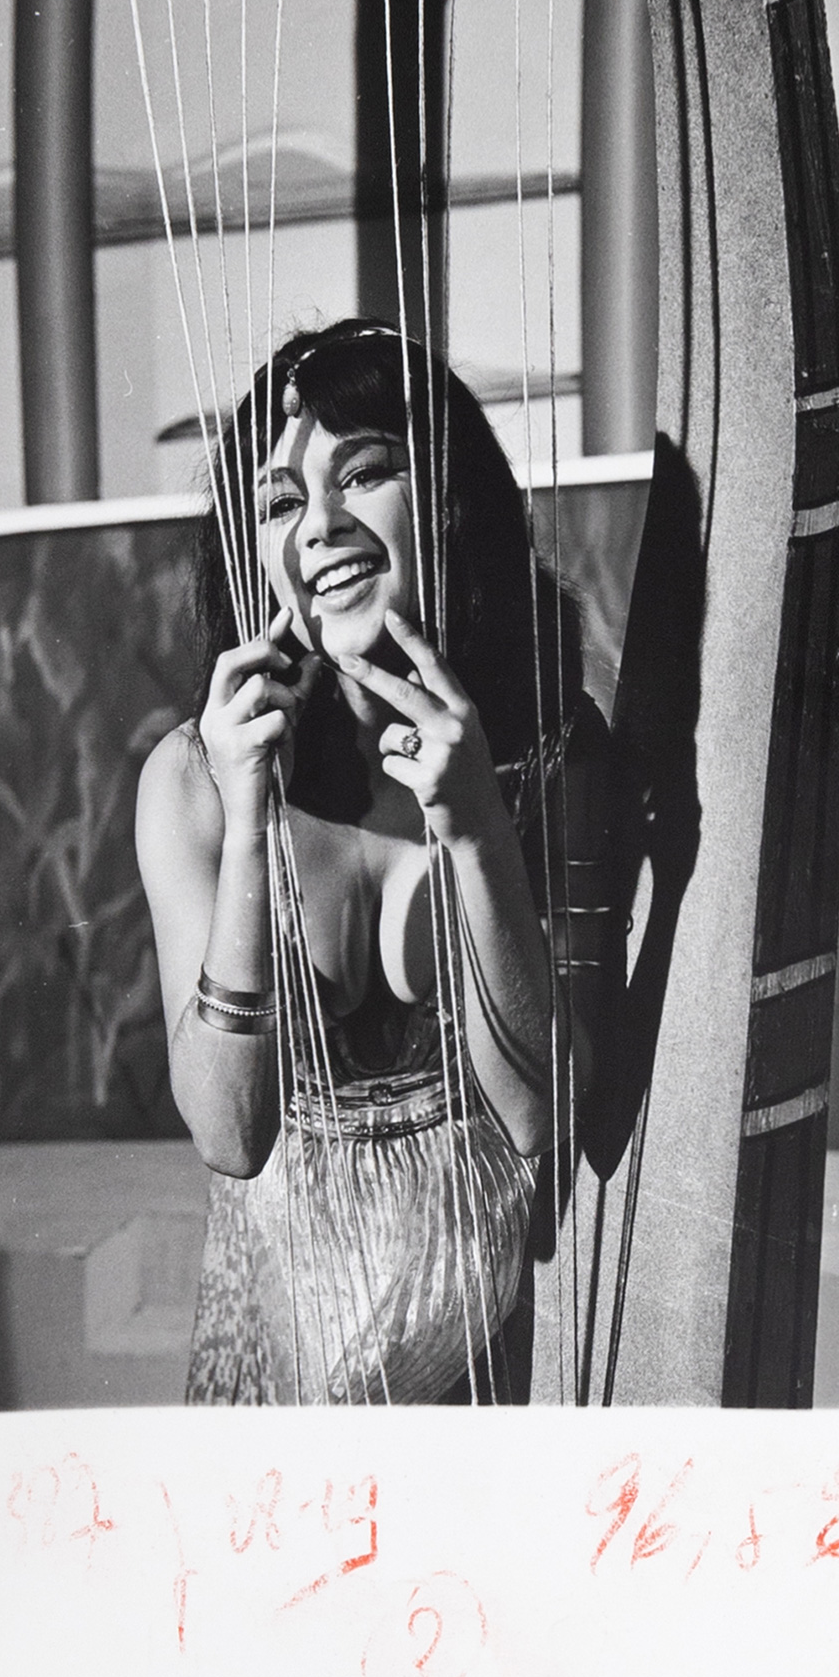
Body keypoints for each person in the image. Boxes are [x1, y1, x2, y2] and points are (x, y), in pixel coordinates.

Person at [136, 320, 614, 1405]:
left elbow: (540, 1116)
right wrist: (250, 821)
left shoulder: (554, 750)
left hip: (485, 1373)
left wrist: (477, 826)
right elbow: (228, 1132)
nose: (322, 525)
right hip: (278, 1384)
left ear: (445, 498)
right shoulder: (192, 778)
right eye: (281, 500)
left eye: (362, 473)